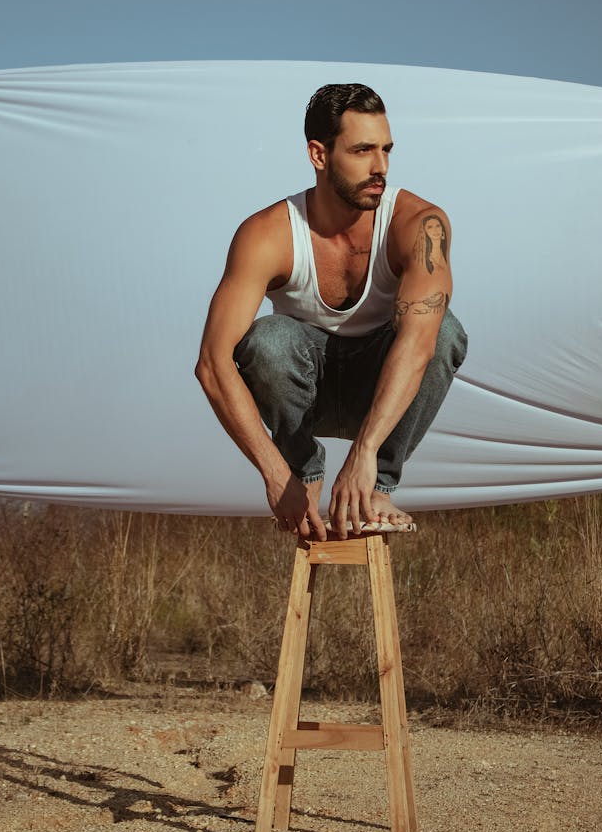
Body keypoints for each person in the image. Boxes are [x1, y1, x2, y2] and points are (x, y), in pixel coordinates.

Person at [195, 83, 467, 540]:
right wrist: (274, 473)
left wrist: (363, 455)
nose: (379, 167)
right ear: (319, 155)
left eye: (386, 150)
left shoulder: (421, 225)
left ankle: (377, 486)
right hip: (306, 394)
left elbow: (421, 344)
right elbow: (212, 364)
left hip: (382, 392)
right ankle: (304, 474)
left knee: (444, 329)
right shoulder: (267, 234)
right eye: (362, 150)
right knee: (267, 340)